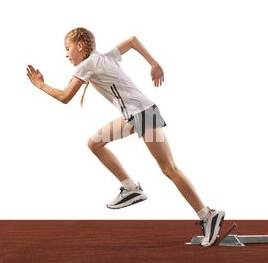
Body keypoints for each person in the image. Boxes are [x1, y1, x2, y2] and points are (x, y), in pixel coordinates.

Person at [26, 27, 225, 246]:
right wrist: (153, 63)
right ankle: (131, 188)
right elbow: (132, 41)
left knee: (169, 169)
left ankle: (207, 215)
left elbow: (65, 97)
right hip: (133, 117)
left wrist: (39, 84)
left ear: (80, 47)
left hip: (144, 115)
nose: (66, 54)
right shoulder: (102, 58)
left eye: (68, 48)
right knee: (95, 143)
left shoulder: (88, 64)